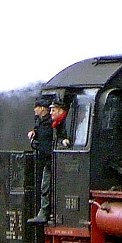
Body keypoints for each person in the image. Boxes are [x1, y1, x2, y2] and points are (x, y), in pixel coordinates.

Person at [26, 95, 70, 226]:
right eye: (50, 110)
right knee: (45, 186)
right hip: (47, 159)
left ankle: (46, 212)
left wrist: (63, 141)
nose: (51, 113)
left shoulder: (59, 124)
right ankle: (44, 212)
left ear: (61, 111)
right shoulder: (45, 122)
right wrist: (34, 132)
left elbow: (62, 137)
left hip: (56, 160)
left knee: (47, 187)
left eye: (53, 110)